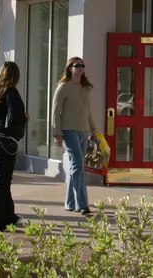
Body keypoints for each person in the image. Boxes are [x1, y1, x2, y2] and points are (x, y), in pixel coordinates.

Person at [0, 61, 26, 232]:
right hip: (4, 138)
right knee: (1, 181)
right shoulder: (10, 91)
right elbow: (16, 116)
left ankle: (8, 216)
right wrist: (24, 120)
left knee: (3, 178)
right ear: (15, 76)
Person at [51, 57, 98, 215]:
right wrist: (57, 133)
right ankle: (82, 204)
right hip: (68, 131)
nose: (80, 68)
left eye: (82, 65)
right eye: (77, 65)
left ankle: (70, 203)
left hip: (84, 132)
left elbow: (88, 112)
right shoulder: (63, 87)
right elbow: (55, 112)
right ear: (70, 68)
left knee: (75, 167)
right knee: (78, 165)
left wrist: (94, 131)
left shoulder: (86, 88)